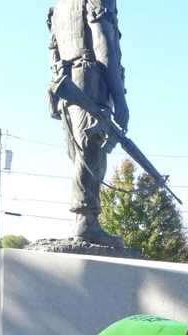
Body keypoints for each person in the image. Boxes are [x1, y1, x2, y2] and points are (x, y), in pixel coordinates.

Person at [47, 0, 129, 248]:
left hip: (67, 82)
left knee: (80, 153)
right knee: (92, 148)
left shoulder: (59, 4)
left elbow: (53, 50)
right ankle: (86, 221)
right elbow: (103, 43)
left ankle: (84, 220)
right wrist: (119, 97)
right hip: (90, 80)